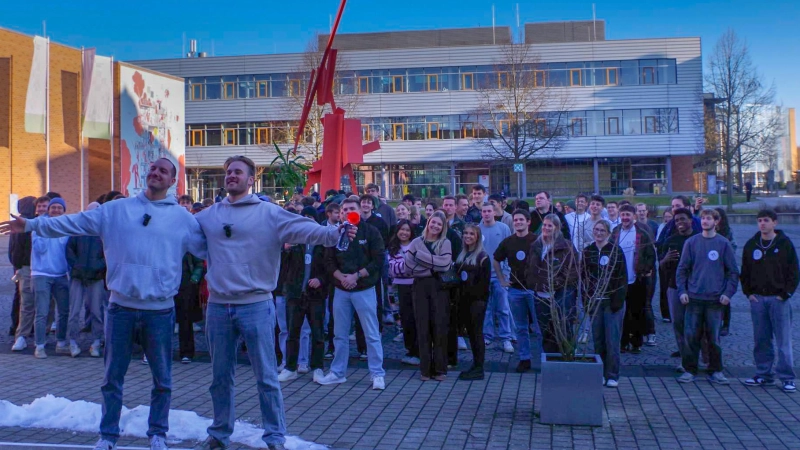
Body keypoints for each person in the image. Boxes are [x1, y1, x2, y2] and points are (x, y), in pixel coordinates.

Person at [2, 158, 205, 450]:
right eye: (153, 168)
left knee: (162, 379)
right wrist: (33, 223)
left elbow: (215, 248)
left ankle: (157, 433)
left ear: (173, 181)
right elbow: (71, 221)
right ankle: (108, 435)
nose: (156, 172)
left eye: (164, 170)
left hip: (159, 311)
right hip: (120, 309)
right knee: (112, 378)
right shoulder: (116, 210)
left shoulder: (183, 219)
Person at [194, 156, 353, 450]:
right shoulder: (209, 215)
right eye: (228, 172)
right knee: (219, 378)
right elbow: (180, 235)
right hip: (218, 306)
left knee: (267, 377)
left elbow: (308, 229)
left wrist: (335, 233)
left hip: (255, 305)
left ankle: (275, 437)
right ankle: (219, 434)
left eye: (238, 172)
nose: (231, 176)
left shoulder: (269, 213)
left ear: (251, 179)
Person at [317, 198, 385, 390]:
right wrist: (342, 278)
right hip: (341, 290)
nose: (347, 212)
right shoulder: (335, 233)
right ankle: (338, 372)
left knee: (371, 333)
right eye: (344, 209)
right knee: (339, 334)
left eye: (351, 208)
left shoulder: (371, 231)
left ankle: (377, 373)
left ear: (359, 210)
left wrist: (356, 276)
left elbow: (378, 259)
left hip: (364, 289)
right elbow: (328, 261)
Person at [675, 208, 738, 385]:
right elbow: (682, 270)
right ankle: (689, 370)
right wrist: (683, 291)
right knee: (691, 337)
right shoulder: (691, 242)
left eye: (709, 218)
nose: (705, 221)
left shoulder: (723, 243)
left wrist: (728, 294)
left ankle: (716, 370)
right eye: (702, 218)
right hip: (694, 298)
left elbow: (733, 272)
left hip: (715, 300)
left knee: (714, 338)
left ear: (716, 222)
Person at [741, 209, 798, 392]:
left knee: (783, 341)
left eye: (766, 220)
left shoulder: (784, 244)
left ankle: (787, 378)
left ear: (775, 222)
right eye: (759, 220)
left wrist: (785, 294)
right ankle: (764, 374)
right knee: (761, 340)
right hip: (758, 299)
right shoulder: (752, 244)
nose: (762, 224)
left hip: (779, 299)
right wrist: (748, 293)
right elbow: (745, 271)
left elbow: (794, 271)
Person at [277, 207, 329, 383]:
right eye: (304, 218)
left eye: (311, 218)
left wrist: (321, 279)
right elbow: (281, 267)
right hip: (294, 292)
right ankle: (290, 367)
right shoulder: (294, 241)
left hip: (316, 294)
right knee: (292, 332)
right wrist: (284, 250)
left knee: (317, 333)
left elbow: (330, 265)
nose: (308, 222)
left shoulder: (323, 242)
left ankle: (318, 368)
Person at [405, 211, 453, 381]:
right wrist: (432, 266)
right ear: (428, 223)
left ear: (442, 227)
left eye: (439, 224)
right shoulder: (417, 241)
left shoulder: (445, 242)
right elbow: (408, 267)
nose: (435, 226)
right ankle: (425, 370)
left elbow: (445, 264)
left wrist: (421, 257)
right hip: (419, 287)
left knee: (439, 327)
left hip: (439, 288)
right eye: (433, 222)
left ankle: (440, 369)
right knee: (422, 327)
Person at [494, 209, 540, 372]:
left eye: (521, 220)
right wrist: (501, 279)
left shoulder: (537, 240)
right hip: (515, 290)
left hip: (535, 291)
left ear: (528, 222)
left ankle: (543, 359)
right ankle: (524, 358)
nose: (518, 222)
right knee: (520, 328)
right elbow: (496, 259)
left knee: (539, 327)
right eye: (516, 220)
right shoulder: (508, 242)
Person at [584, 219, 628, 388]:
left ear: (609, 233)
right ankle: (600, 372)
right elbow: (584, 277)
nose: (599, 233)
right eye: (596, 229)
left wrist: (616, 301)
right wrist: (587, 300)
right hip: (595, 303)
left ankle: (612, 374)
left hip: (612, 303)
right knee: (598, 340)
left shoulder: (616, 251)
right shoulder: (588, 252)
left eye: (602, 230)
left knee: (612, 340)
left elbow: (622, 278)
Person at [525, 214, 578, 354]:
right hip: (540, 295)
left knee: (562, 330)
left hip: (560, 296)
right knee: (545, 331)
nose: (546, 228)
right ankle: (550, 360)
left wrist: (556, 282)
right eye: (544, 225)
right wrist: (532, 282)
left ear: (557, 228)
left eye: (550, 225)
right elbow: (529, 267)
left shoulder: (566, 246)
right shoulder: (536, 245)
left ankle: (567, 358)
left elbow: (574, 270)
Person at [29, 198, 71, 358]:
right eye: (53, 207)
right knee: (42, 311)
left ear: (63, 210)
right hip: (41, 274)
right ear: (48, 209)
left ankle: (61, 342)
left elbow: (69, 251)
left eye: (59, 207)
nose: (56, 210)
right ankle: (39, 345)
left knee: (64, 310)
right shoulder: (39, 225)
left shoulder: (66, 226)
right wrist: (47, 230)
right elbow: (39, 248)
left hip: (61, 274)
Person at [64, 202, 107, 358]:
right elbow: (69, 250)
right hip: (78, 276)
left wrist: (99, 266)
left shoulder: (104, 232)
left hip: (96, 277)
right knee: (74, 312)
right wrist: (76, 266)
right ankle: (73, 342)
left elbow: (108, 254)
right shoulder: (78, 230)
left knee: (96, 311)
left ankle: (96, 341)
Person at [611, 204, 656, 354]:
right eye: (622, 215)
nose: (625, 218)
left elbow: (651, 255)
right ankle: (623, 342)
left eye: (628, 215)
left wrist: (644, 270)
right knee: (620, 313)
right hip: (619, 280)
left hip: (637, 279)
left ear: (634, 216)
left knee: (637, 312)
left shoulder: (642, 233)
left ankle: (636, 343)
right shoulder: (615, 232)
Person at [658, 208, 697, 369]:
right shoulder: (671, 240)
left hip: (695, 289)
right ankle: (685, 359)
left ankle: (700, 358)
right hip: (674, 287)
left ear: (691, 220)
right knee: (678, 325)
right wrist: (665, 259)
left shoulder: (697, 239)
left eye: (683, 219)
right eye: (677, 221)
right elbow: (660, 265)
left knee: (695, 326)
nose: (680, 223)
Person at [455, 225, 491, 380]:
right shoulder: (462, 254)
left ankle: (479, 367)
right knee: (471, 334)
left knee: (476, 334)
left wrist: (473, 299)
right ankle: (475, 365)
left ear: (477, 237)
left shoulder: (482, 257)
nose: (468, 236)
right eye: (465, 233)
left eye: (472, 234)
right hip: (463, 302)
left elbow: (484, 285)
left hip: (476, 302)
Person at [478, 202, 514, 353]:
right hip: (483, 276)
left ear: (494, 212)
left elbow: (509, 250)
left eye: (489, 211)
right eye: (484, 211)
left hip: (500, 275)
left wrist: (506, 272)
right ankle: (488, 336)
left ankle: (506, 338)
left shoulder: (503, 228)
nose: (486, 214)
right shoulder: (478, 229)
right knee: (486, 309)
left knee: (503, 308)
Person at [388, 220, 419, 365]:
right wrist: (410, 266)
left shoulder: (417, 245)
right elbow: (394, 270)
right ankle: (410, 350)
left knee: (417, 318)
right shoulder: (393, 248)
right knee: (405, 319)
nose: (404, 233)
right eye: (402, 229)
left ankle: (418, 351)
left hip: (417, 286)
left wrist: (406, 266)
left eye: (407, 230)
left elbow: (419, 267)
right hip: (400, 287)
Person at [9, 197, 36, 349]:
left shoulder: (20, 221)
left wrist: (15, 264)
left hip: (18, 264)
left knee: (18, 297)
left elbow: (13, 247)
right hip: (25, 265)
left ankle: (15, 326)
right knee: (25, 299)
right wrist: (19, 265)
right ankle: (23, 328)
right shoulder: (27, 223)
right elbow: (21, 248)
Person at [634, 203, 659, 347]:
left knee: (646, 303)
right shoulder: (631, 228)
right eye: (639, 211)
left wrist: (647, 268)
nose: (642, 213)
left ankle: (650, 332)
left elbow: (651, 252)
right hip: (635, 271)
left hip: (647, 270)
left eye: (644, 210)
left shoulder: (649, 227)